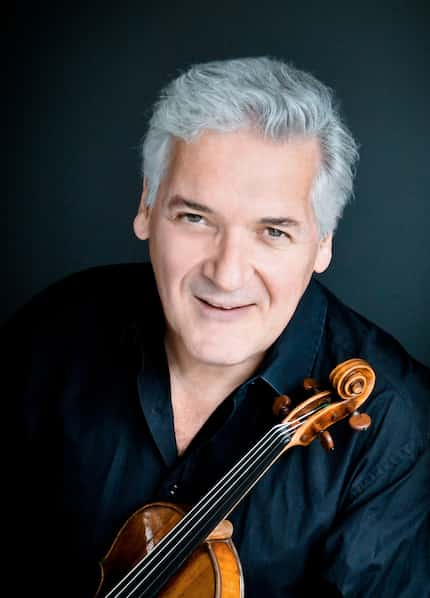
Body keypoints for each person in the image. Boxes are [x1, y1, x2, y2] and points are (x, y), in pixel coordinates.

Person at [4, 57, 429, 597]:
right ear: (146, 207)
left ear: (323, 243)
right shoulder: (52, 336)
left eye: (273, 231)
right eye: (196, 218)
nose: (226, 274)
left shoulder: (397, 431)